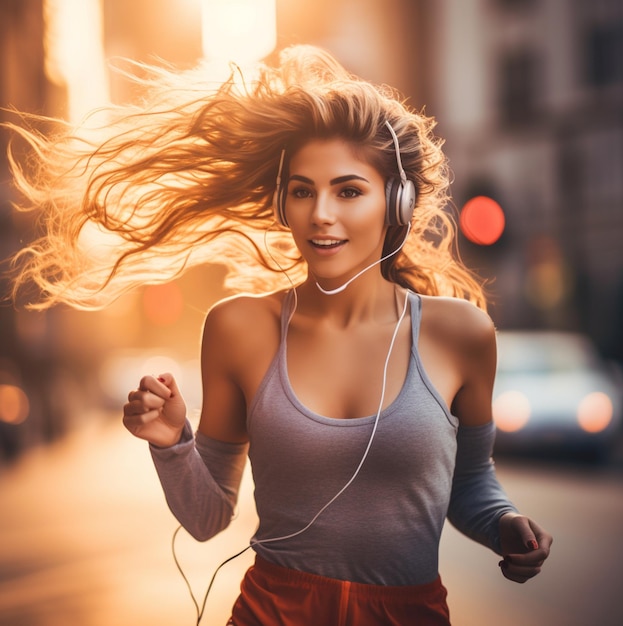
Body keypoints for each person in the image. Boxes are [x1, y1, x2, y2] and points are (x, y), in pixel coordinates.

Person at [5, 45, 552, 625]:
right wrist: (171, 443)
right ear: (281, 202)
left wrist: (504, 525)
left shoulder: (461, 333)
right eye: (301, 190)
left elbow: (470, 482)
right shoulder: (240, 327)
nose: (320, 214)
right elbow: (207, 517)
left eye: (348, 191)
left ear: (397, 202)